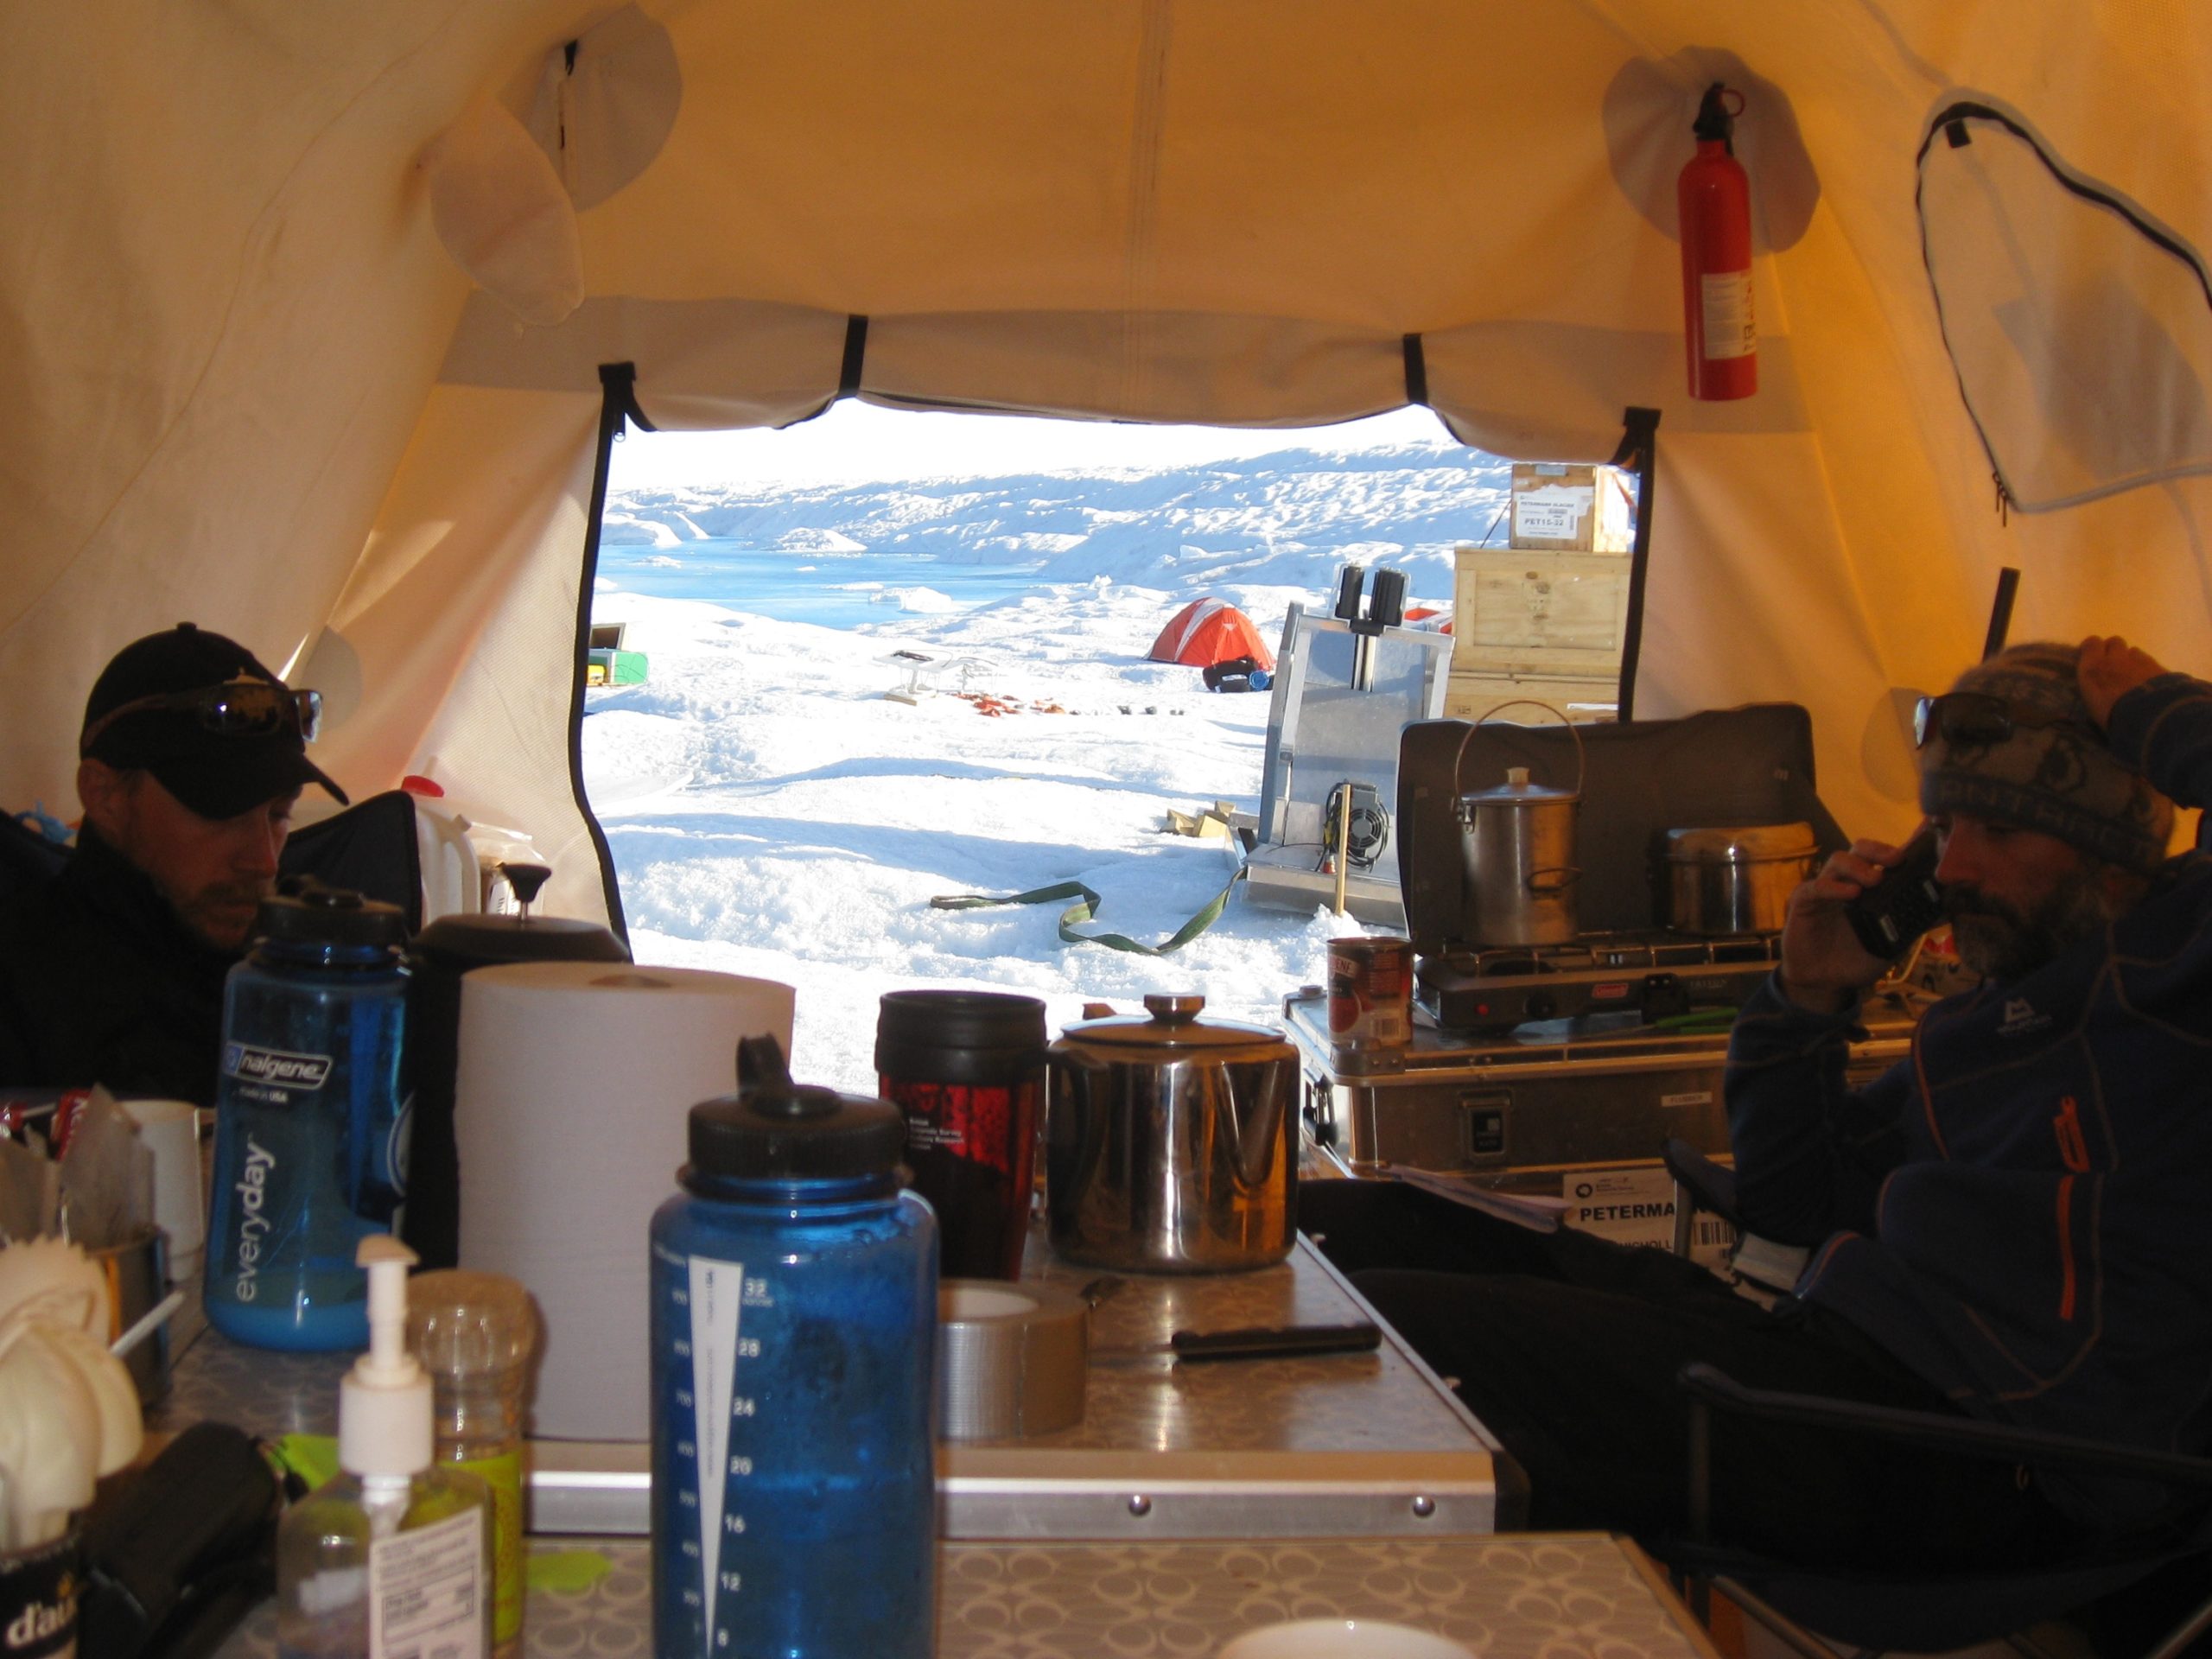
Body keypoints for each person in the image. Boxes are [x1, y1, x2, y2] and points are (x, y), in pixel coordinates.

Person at [1300, 635, 2212, 1570]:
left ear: (2114, 862)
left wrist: (2155, 714)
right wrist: (1805, 1002)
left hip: (1984, 1456)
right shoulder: (1980, 1025)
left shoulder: (2172, 990)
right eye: (1946, 830)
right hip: (1824, 1359)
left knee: (1401, 1329)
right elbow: (1795, 1207)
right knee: (1354, 1228)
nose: (1955, 869)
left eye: (2003, 833)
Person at [0, 623, 347, 1103]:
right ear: (105, 797)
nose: (264, 860)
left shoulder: (325, 967)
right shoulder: (29, 996)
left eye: (279, 814)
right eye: (220, 813)